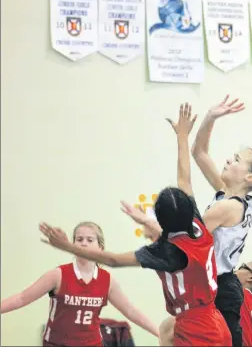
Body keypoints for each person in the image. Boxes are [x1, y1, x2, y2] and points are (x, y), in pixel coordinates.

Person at [39, 103, 232, 347]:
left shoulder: (167, 252)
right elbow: (185, 178)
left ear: (161, 221)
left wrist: (68, 246)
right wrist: (182, 135)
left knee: (168, 329)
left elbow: (113, 260)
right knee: (166, 330)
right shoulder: (197, 225)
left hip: (198, 329)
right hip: (214, 320)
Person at [138, 95, 252, 347]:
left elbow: (186, 216)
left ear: (250, 178)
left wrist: (157, 228)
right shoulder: (232, 196)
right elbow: (200, 152)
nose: (229, 160)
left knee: (176, 332)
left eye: (237, 160)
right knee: (168, 330)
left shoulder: (228, 208)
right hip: (215, 285)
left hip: (220, 289)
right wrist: (211, 116)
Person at [1, 221, 159, 346]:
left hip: (92, 343)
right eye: (79, 239)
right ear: (72, 245)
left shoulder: (107, 280)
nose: (84, 243)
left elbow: (130, 311)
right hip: (57, 343)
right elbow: (22, 298)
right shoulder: (58, 275)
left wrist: (159, 333)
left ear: (100, 247)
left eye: (90, 240)